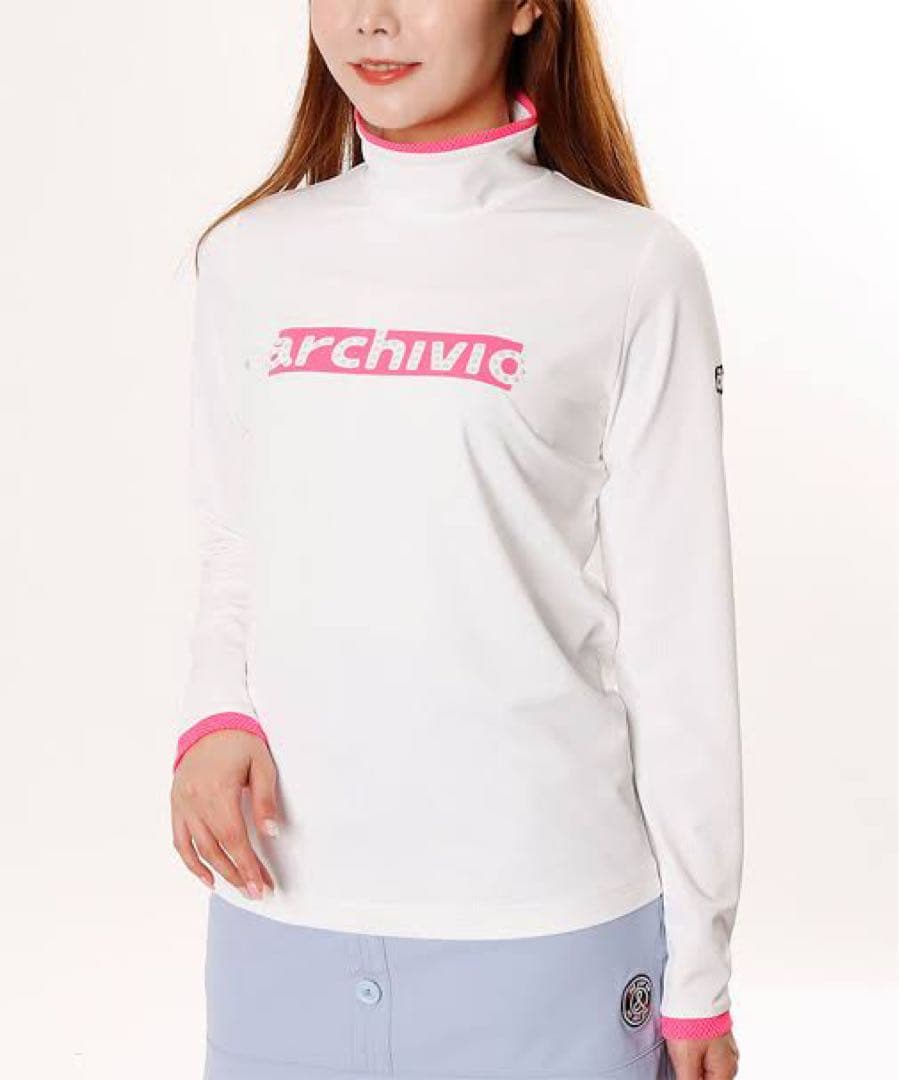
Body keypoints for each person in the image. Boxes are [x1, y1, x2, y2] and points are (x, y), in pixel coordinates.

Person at [169, 3, 744, 1079]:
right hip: (283, 912)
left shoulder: (632, 267)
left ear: (527, 5)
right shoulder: (249, 257)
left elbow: (679, 634)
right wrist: (214, 711)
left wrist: (700, 970)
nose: (372, 20)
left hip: (545, 929)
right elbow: (233, 534)